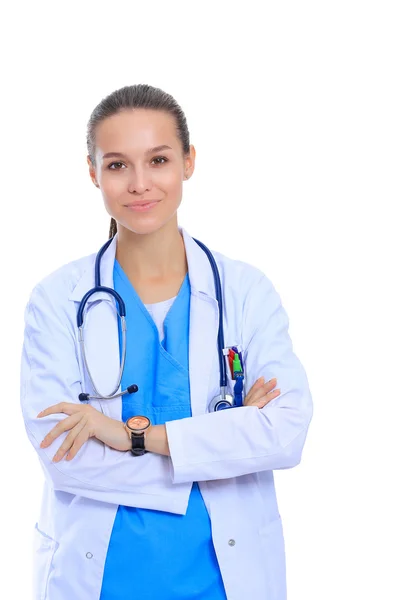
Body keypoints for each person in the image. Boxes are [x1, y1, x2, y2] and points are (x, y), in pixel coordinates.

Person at [20, 83, 313, 600]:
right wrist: (222, 444)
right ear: (92, 173)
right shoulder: (57, 301)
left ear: (188, 162)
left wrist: (130, 436)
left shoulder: (244, 291)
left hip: (225, 578)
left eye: (157, 159)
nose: (139, 184)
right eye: (116, 165)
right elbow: (64, 457)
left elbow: (285, 433)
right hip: (102, 577)